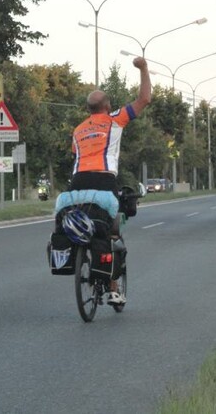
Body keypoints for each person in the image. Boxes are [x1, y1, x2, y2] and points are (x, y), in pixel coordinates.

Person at [69, 56, 151, 305]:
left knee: (83, 222)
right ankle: (113, 289)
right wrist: (144, 68)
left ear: (88, 110)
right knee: (111, 231)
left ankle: (82, 255)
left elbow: (76, 156)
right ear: (108, 106)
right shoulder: (115, 119)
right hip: (104, 181)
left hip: (77, 182)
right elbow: (144, 99)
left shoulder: (78, 130)